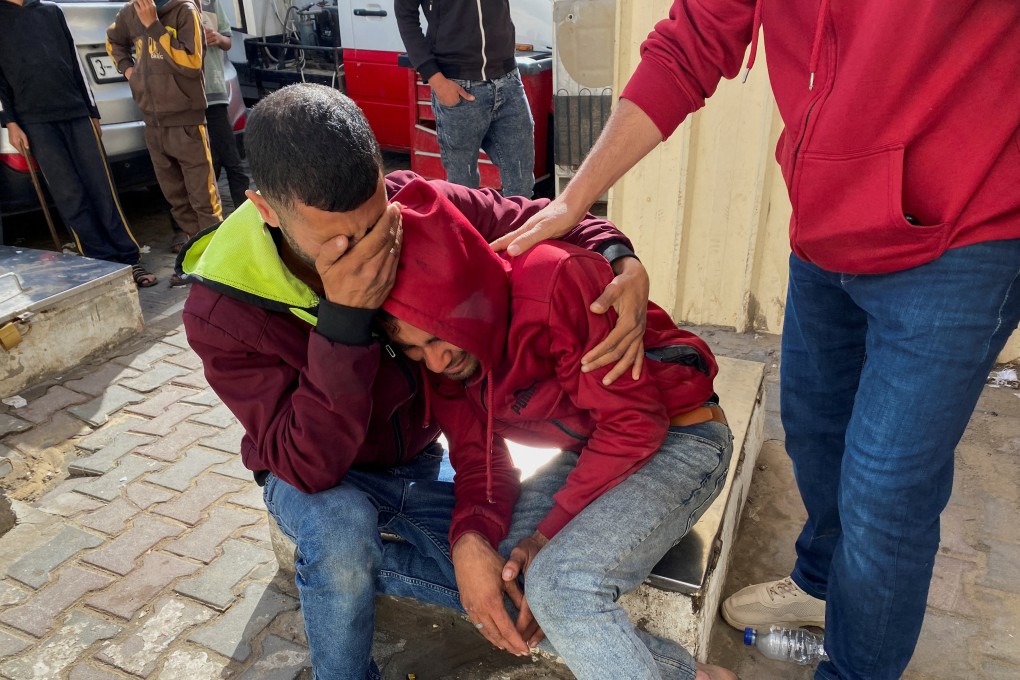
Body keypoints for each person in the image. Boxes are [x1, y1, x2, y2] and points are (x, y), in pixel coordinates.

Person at [487, 3, 1020, 679]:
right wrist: (576, 201)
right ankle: (823, 585)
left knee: (886, 490)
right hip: (828, 224)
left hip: (965, 232)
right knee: (814, 431)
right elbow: (691, 43)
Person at [175, 83, 651, 679]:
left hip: (418, 461)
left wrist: (617, 257)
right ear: (267, 210)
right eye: (336, 242)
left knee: (504, 573)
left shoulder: (410, 205)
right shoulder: (221, 313)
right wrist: (344, 322)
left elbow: (539, 220)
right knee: (344, 534)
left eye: (376, 224)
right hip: (312, 478)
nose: (367, 251)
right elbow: (307, 463)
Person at [376, 177, 736, 680]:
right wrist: (469, 539)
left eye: (440, 335)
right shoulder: (447, 368)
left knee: (561, 586)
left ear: (465, 293)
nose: (435, 361)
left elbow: (635, 422)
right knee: (514, 579)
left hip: (683, 438)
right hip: (593, 448)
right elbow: (479, 460)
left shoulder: (553, 281)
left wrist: (547, 534)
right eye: (415, 350)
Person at [0, 0, 157, 286]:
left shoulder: (50, 11)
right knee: (69, 194)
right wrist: (10, 121)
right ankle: (99, 263)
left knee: (101, 186)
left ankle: (129, 259)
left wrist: (92, 110)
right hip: (34, 121)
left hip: (76, 111)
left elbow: (74, 62)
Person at [107, 0, 223, 255]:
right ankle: (197, 256)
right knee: (177, 200)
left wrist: (154, 27)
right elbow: (113, 41)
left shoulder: (184, 11)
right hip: (152, 123)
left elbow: (192, 63)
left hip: (187, 123)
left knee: (203, 200)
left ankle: (218, 260)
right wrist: (129, 71)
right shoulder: (129, 12)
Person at [395, 0, 534, 198]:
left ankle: (520, 229)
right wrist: (436, 79)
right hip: (457, 85)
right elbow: (404, 14)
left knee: (522, 186)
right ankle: (469, 230)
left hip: (508, 80)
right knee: (463, 191)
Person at [199, 0, 250, 213]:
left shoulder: (211, 3)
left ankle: (246, 216)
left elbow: (227, 41)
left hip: (214, 93)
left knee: (232, 160)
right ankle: (206, 220)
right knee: (203, 165)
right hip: (183, 99)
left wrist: (218, 38)